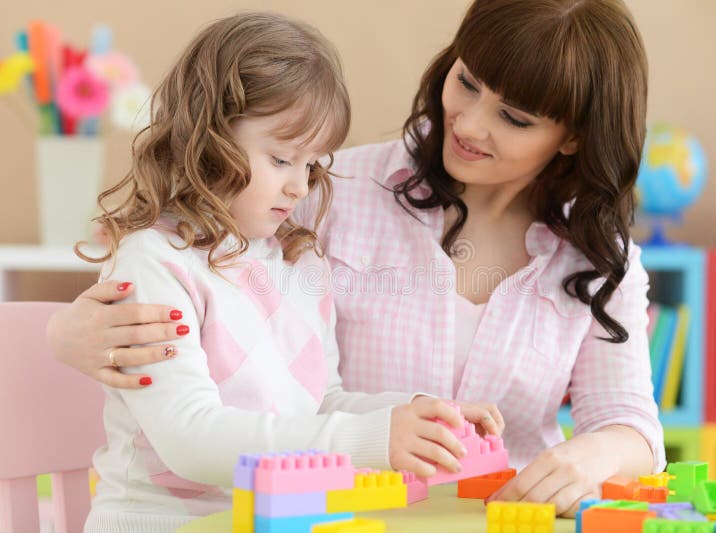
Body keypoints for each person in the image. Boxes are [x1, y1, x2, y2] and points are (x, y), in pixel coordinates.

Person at [48, 0, 664, 517]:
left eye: (513, 117)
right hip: (334, 516)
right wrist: (63, 331)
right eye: (468, 82)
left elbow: (631, 425)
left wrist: (595, 455)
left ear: (574, 136)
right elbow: (185, 287)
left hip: (494, 520)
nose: (470, 124)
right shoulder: (321, 196)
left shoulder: (600, 261)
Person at [72, 12, 502, 532]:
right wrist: (370, 440)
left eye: (313, 165)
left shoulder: (298, 263)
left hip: (277, 519)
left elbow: (320, 400)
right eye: (281, 160)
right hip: (162, 521)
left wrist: (420, 416)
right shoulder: (155, 263)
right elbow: (190, 439)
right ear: (207, 138)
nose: (301, 188)